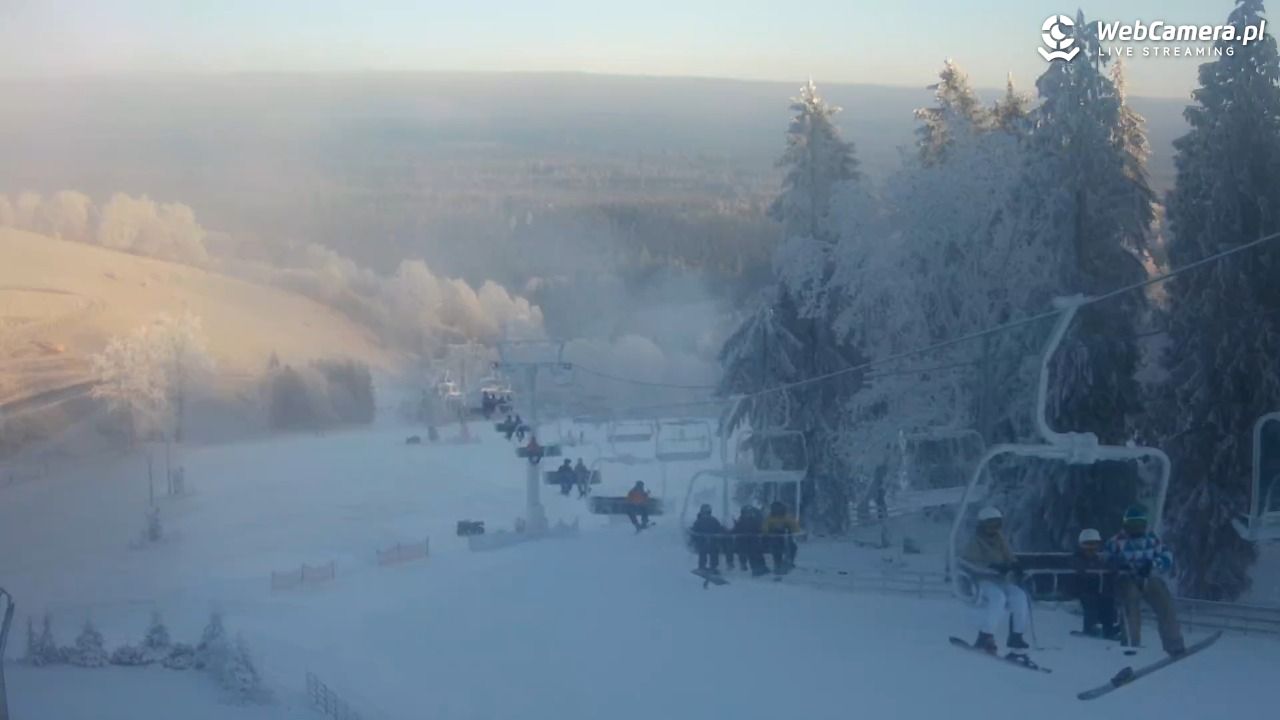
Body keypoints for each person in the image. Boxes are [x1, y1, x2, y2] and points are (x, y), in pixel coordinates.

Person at [1106, 505, 1186, 656]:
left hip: (1147, 577)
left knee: (1164, 602)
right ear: (1126, 526)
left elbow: (1167, 555)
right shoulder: (1116, 541)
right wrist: (1118, 565)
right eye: (1133, 526)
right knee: (1130, 601)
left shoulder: (1151, 540)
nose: (1136, 530)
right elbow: (1107, 558)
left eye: (1139, 526)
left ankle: (1173, 643)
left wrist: (1153, 564)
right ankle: (1131, 642)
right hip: (1127, 578)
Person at [958, 506, 1030, 654]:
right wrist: (993, 567)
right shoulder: (974, 541)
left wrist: (1015, 565)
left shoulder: (1000, 539)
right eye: (990, 524)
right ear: (982, 525)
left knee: (1020, 597)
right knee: (998, 599)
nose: (993, 528)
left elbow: (1008, 556)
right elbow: (969, 563)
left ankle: (1016, 635)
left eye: (997, 524)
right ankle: (985, 637)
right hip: (980, 580)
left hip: (1000, 580)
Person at [1073, 528, 1121, 640]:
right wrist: (1084, 568)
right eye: (1087, 545)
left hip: (1099, 588)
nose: (1091, 549)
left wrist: (1112, 568)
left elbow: (1106, 566)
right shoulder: (1077, 557)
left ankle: (1108, 628)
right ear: (1081, 546)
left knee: (1108, 601)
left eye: (1094, 545)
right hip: (1082, 588)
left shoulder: (1098, 558)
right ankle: (1090, 626)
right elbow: (1077, 566)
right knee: (1090, 603)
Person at [761, 501, 800, 574]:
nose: (777, 510)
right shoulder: (770, 518)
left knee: (793, 547)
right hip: (774, 539)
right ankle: (777, 565)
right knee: (776, 548)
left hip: (786, 539)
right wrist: (768, 532)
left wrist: (793, 531)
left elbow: (795, 527)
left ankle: (788, 562)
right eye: (775, 509)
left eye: (778, 509)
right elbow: (764, 528)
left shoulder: (786, 517)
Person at [729, 505, 766, 575]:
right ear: (743, 513)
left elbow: (759, 529)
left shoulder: (754, 520)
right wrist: (728, 532)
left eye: (748, 513)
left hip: (754, 542)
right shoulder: (741, 521)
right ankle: (755, 570)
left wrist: (762, 532)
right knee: (751, 556)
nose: (747, 514)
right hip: (744, 542)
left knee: (757, 555)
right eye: (746, 513)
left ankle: (762, 568)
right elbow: (736, 530)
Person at [690, 504, 725, 573]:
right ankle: (702, 567)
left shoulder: (713, 520)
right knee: (703, 553)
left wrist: (719, 535)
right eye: (704, 512)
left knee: (714, 553)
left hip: (712, 541)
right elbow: (695, 530)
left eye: (707, 513)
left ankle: (713, 567)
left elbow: (719, 528)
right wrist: (694, 539)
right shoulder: (699, 521)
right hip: (702, 541)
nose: (706, 515)